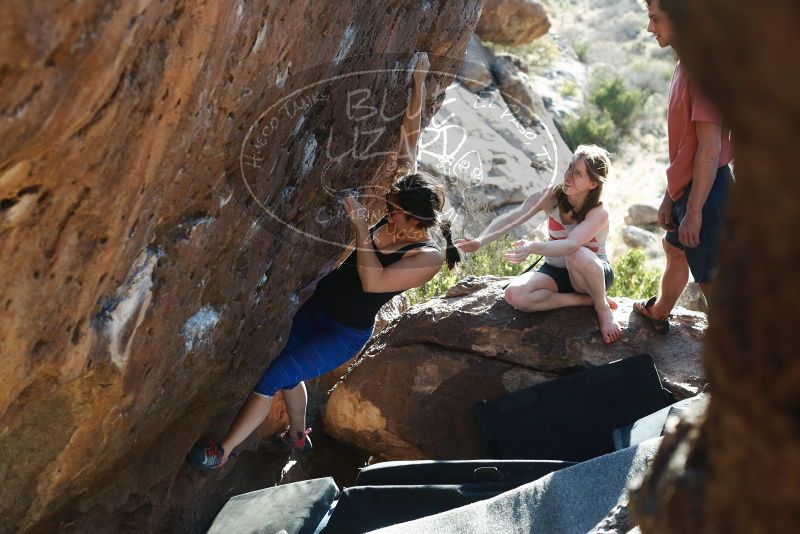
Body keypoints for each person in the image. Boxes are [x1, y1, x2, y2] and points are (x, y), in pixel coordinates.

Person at [187, 52, 461, 470]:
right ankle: (298, 436)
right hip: (318, 307)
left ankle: (221, 452)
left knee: (269, 378)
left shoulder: (428, 256)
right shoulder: (408, 197)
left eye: (394, 212)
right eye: (387, 205)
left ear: (417, 219)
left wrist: (357, 226)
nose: (388, 213)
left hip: (344, 332)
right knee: (285, 372)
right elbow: (411, 136)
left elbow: (372, 281)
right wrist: (419, 82)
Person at [633, 0, 734, 333]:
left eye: (655, 19)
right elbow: (685, 146)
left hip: (707, 190)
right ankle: (661, 310)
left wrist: (693, 211)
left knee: (712, 282)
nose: (650, 28)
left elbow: (709, 148)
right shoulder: (685, 64)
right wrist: (669, 196)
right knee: (673, 248)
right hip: (690, 186)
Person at [456, 145, 621, 345]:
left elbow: (570, 245)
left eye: (578, 174)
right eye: (569, 168)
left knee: (576, 253)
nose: (568, 176)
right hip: (556, 271)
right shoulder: (550, 198)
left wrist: (532, 247)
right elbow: (514, 217)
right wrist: (481, 240)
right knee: (514, 294)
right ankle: (581, 301)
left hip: (591, 276)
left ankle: (601, 306)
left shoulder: (599, 211)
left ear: (593, 183)